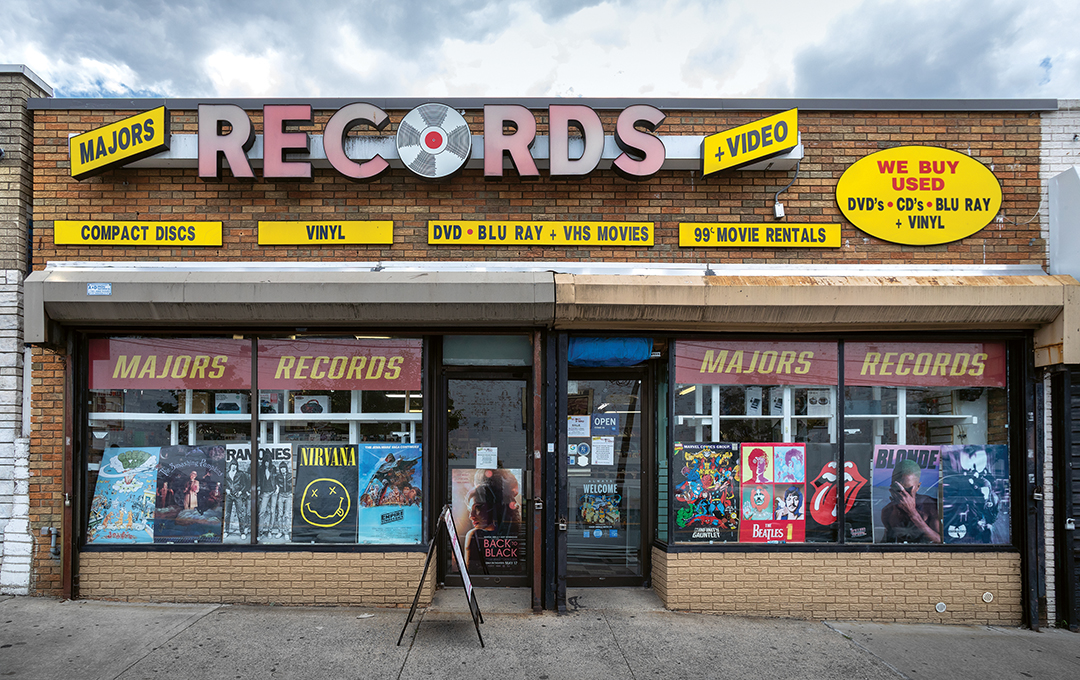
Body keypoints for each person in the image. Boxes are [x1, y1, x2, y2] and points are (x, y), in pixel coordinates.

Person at [463, 469, 521, 573]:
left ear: (494, 505)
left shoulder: (475, 535)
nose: (471, 516)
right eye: (470, 510)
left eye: (478, 508)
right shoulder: (514, 529)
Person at [881, 459, 942, 544]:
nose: (903, 495)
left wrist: (913, 513)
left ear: (918, 487)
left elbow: (940, 541)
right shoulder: (888, 511)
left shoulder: (930, 507)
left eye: (908, 490)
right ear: (891, 487)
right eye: (898, 489)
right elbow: (887, 542)